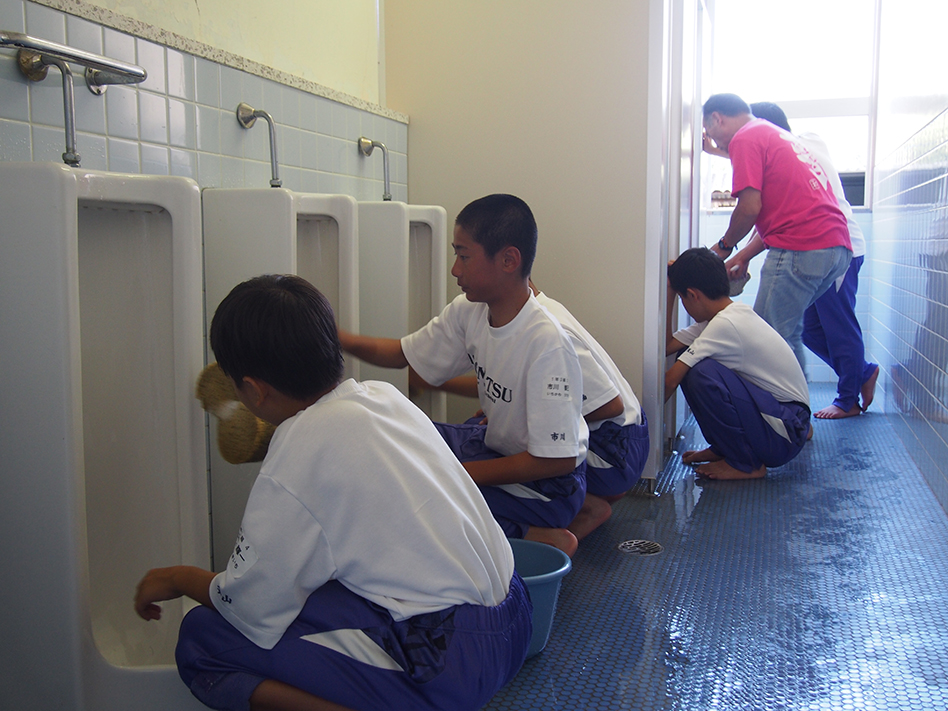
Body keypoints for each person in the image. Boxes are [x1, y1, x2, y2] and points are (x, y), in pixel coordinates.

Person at [134, 275, 532, 711]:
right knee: (316, 589)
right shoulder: (383, 398)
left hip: (455, 660)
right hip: (517, 616)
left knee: (203, 639)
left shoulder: (297, 454)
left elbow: (249, 606)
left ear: (255, 390)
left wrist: (177, 578)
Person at [340, 194, 588, 557]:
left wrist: (457, 473)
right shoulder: (470, 311)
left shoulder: (547, 343)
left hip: (549, 487)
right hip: (495, 449)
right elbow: (401, 354)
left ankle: (538, 536)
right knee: (396, 439)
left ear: (508, 260)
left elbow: (557, 460)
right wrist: (337, 338)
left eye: (464, 256)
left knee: (420, 491)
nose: (455, 270)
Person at [417, 280, 649, 540]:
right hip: (621, 438)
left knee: (506, 446)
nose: (458, 273)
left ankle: (581, 509)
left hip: (615, 450)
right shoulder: (524, 318)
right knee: (482, 430)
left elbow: (609, 405)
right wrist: (433, 382)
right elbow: (507, 385)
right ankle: (589, 500)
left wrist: (518, 416)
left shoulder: (547, 331)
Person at [702, 93, 853, 372]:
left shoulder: (745, 138)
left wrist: (724, 246)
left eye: (709, 133)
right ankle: (794, 400)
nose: (716, 142)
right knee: (786, 335)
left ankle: (782, 401)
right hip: (837, 248)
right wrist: (742, 256)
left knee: (766, 342)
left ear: (716, 119)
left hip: (803, 248)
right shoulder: (771, 133)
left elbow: (749, 208)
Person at [665, 248, 811, 480]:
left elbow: (671, 380)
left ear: (693, 295)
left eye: (683, 298)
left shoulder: (726, 325)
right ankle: (725, 448)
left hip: (786, 432)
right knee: (688, 358)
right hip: (783, 421)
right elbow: (666, 346)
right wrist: (672, 290)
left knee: (700, 373)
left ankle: (746, 463)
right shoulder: (723, 317)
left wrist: (638, 423)